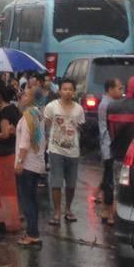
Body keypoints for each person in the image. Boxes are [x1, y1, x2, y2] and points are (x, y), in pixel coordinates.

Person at [43, 78, 84, 226]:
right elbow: (47, 124)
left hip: (73, 151)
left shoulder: (79, 109)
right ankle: (56, 213)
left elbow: (80, 127)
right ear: (59, 91)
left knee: (71, 183)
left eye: (70, 89)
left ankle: (68, 209)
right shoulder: (51, 107)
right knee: (56, 182)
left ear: (74, 92)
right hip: (55, 150)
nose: (67, 92)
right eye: (64, 89)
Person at [14, 84, 46, 246]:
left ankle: (32, 233)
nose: (22, 98)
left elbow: (25, 143)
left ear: (32, 99)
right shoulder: (38, 114)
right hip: (37, 162)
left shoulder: (28, 116)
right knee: (32, 199)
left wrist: (19, 161)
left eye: (26, 95)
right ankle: (33, 232)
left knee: (27, 200)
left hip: (27, 164)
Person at [97, 78, 125, 224]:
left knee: (108, 179)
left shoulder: (112, 104)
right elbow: (105, 131)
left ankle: (105, 210)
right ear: (110, 89)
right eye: (119, 88)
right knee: (109, 181)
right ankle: (108, 212)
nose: (122, 91)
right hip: (109, 147)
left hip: (110, 147)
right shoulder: (106, 105)